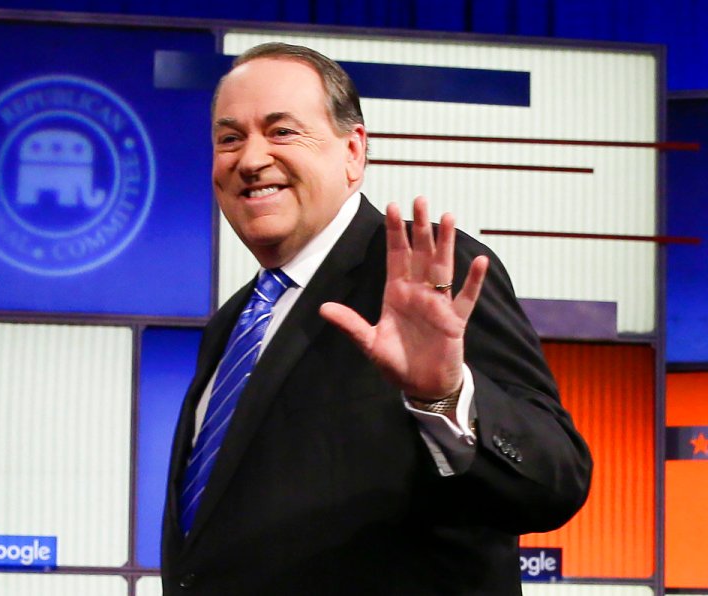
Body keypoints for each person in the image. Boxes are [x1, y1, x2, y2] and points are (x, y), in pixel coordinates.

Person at [161, 42, 592, 595]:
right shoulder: (232, 325)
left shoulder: (425, 274)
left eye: (282, 132)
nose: (250, 159)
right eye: (229, 139)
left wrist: (446, 398)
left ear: (353, 151)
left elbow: (555, 480)